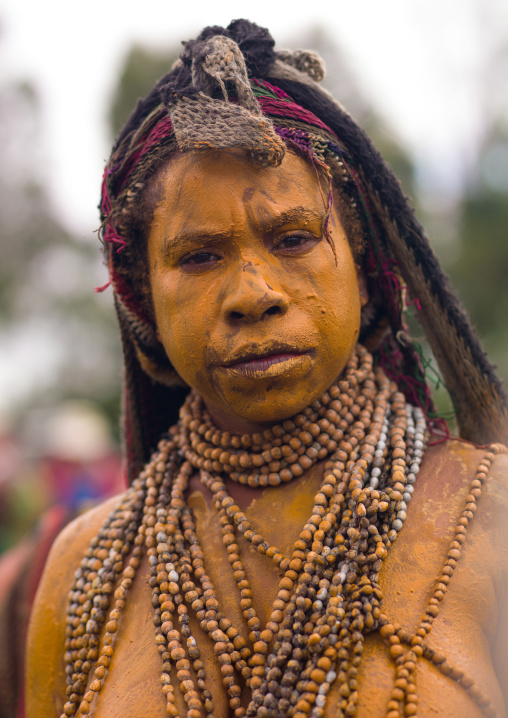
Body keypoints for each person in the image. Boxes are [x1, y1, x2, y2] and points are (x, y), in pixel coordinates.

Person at [25, 20, 508, 718]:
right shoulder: (87, 570)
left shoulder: (489, 519)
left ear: (369, 272)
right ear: (142, 298)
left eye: (292, 238)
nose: (254, 293)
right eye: (198, 256)